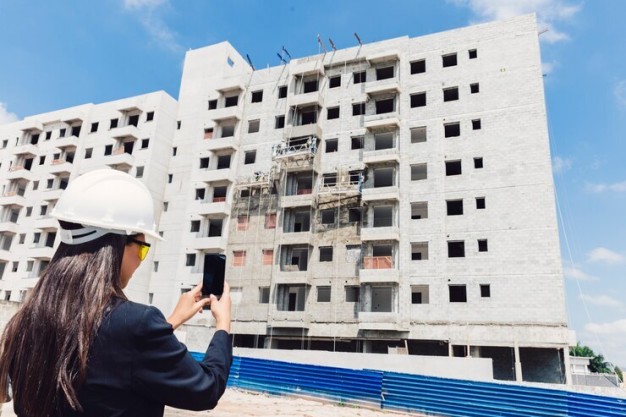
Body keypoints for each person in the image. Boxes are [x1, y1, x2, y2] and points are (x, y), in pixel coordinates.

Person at [0, 169, 232, 417]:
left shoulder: (27, 320)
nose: (141, 260)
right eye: (142, 249)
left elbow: (101, 351)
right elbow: (206, 388)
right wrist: (223, 326)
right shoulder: (137, 324)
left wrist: (170, 323)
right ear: (117, 245)